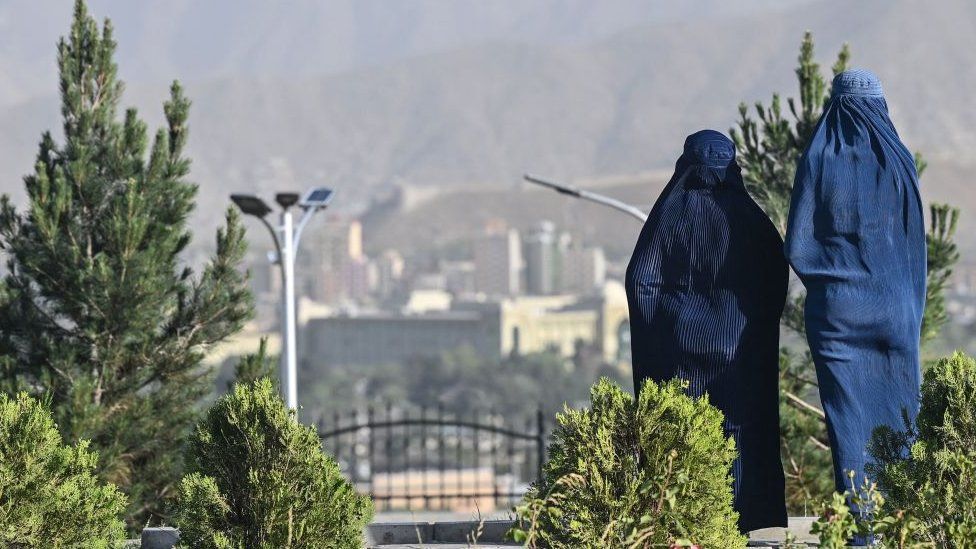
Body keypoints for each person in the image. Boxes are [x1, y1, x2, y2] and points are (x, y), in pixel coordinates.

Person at [626, 129, 788, 532]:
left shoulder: (668, 216)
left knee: (682, 434)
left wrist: (667, 323)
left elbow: (640, 280)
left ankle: (685, 522)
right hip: (739, 353)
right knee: (738, 432)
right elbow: (775, 279)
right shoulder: (752, 218)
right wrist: (750, 326)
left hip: (679, 353)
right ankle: (738, 520)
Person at [784, 69, 926, 497]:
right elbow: (915, 244)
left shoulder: (818, 158)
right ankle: (904, 520)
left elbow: (797, 246)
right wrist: (906, 306)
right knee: (902, 415)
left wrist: (832, 286)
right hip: (895, 310)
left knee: (850, 424)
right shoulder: (900, 160)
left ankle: (866, 530)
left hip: (838, 314)